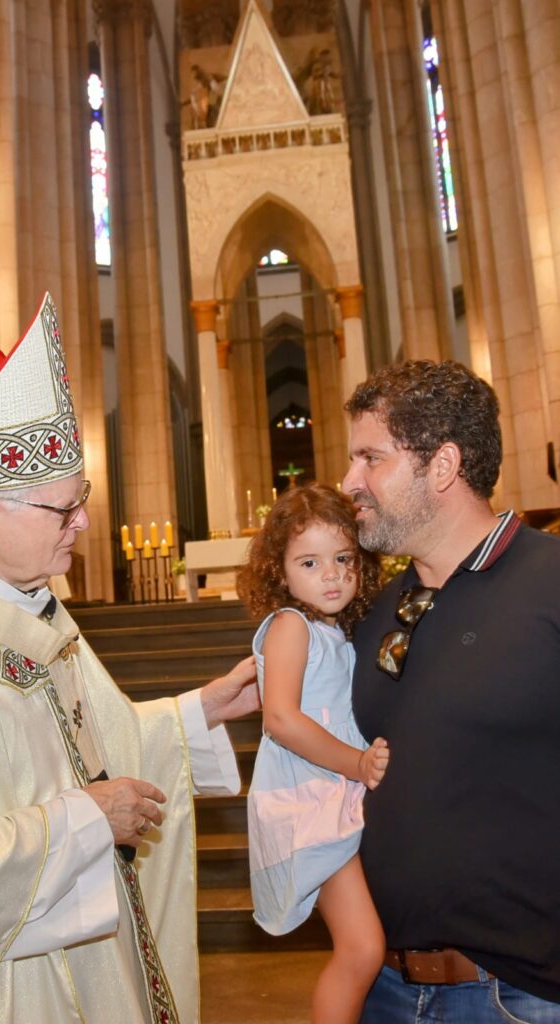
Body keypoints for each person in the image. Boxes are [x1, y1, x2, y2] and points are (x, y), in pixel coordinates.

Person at [0, 293, 259, 1024]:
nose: (82, 522)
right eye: (64, 507)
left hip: (87, 961)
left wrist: (200, 711)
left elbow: (98, 749)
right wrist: (81, 822)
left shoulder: (33, 609)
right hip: (7, 988)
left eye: (82, 499)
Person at [342, 360, 560, 1023]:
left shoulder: (549, 584)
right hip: (386, 989)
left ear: (441, 466)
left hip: (518, 996)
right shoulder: (378, 612)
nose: (349, 482)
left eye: (370, 458)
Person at [236, 483, 389, 1024]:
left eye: (343, 559)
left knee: (365, 943)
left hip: (333, 790)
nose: (332, 575)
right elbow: (280, 719)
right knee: (362, 949)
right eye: (310, 562)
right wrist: (357, 763)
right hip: (308, 796)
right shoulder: (291, 626)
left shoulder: (335, 633)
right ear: (279, 571)